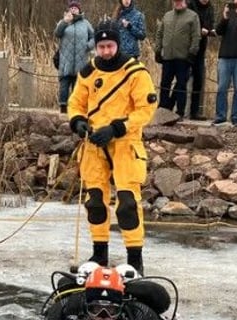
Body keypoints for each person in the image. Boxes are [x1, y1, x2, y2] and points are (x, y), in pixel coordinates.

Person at [69, 21, 159, 274]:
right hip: (95, 143)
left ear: (117, 45)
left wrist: (118, 127)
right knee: (95, 201)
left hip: (124, 142)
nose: (106, 51)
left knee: (128, 203)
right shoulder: (88, 72)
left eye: (109, 46)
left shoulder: (135, 72)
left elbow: (145, 109)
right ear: (96, 47)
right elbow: (76, 103)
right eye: (101, 46)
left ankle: (135, 258)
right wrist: (78, 122)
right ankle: (99, 253)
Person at [42, 264, 172, 320]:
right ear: (86, 304)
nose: (103, 316)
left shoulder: (139, 313)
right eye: (95, 309)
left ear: (121, 305)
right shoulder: (70, 306)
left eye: (111, 310)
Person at [156, 0, 202, 119]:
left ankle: (179, 112)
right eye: (175, 1)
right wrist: (158, 50)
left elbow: (196, 36)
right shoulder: (167, 15)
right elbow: (160, 33)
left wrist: (192, 52)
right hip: (168, 57)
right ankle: (163, 110)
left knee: (181, 85)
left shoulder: (192, 16)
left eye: (180, 1)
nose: (177, 3)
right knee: (165, 84)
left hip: (183, 57)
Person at [55, 1, 95, 115]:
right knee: (64, 85)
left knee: (77, 86)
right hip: (65, 60)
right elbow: (57, 34)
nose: (73, 10)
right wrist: (64, 22)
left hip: (81, 60)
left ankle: (76, 109)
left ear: (79, 10)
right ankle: (63, 108)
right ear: (69, 10)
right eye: (71, 8)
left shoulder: (86, 23)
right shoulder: (64, 22)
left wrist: (88, 46)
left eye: (75, 8)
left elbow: (93, 37)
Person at [188, 0, 217, 120]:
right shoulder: (191, 5)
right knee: (182, 78)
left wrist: (209, 30)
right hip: (188, 47)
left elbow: (211, 24)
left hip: (201, 48)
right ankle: (172, 108)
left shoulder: (210, 8)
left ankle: (194, 111)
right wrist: (198, 30)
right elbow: (186, 23)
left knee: (198, 80)